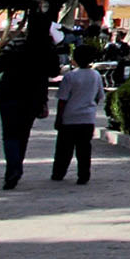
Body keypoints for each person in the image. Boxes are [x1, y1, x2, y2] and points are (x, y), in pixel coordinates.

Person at [0, 7, 60, 190]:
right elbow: (54, 72)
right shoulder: (48, 48)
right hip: (33, 96)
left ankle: (12, 169)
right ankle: (16, 166)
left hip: (9, 93)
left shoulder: (16, 43)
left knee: (9, 134)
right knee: (23, 133)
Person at [52, 45, 105, 184]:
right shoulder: (96, 75)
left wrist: (58, 118)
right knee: (84, 149)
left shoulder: (70, 76)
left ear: (74, 58)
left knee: (64, 149)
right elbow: (99, 96)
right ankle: (83, 175)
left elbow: (62, 100)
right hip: (87, 118)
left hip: (70, 118)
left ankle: (59, 172)